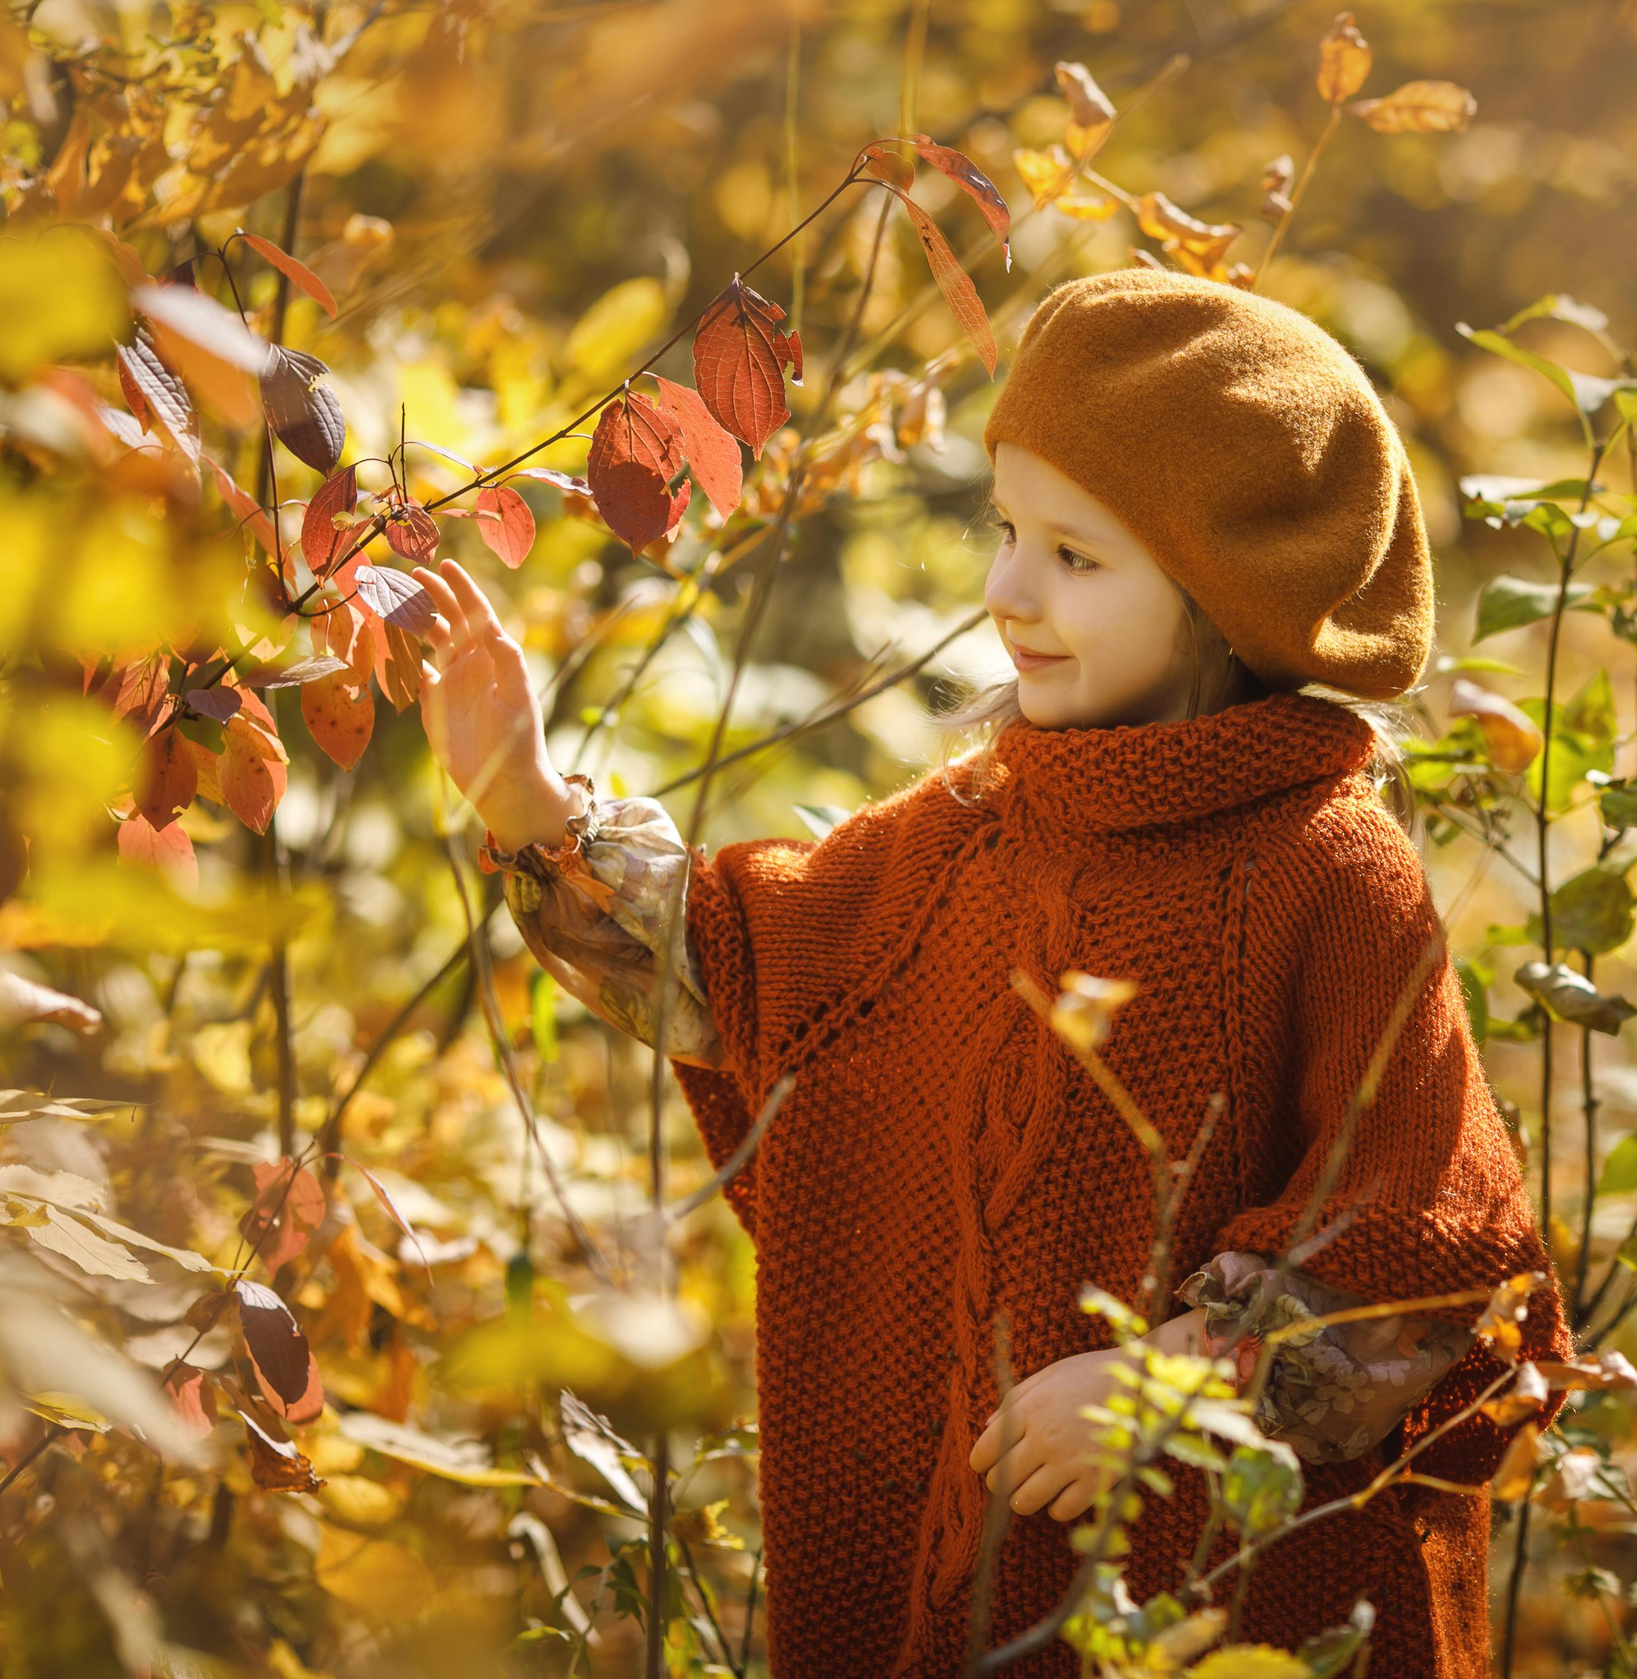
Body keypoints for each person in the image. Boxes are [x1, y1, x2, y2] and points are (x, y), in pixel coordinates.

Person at [410, 267, 1567, 1677]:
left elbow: (1441, 1244)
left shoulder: (1328, 874)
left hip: (1227, 1605)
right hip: (959, 1579)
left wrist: (1186, 1379)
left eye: (1078, 558)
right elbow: (756, 980)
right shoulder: (965, 830)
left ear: (1225, 597)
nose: (1009, 590)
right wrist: (536, 817)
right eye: (1009, 529)